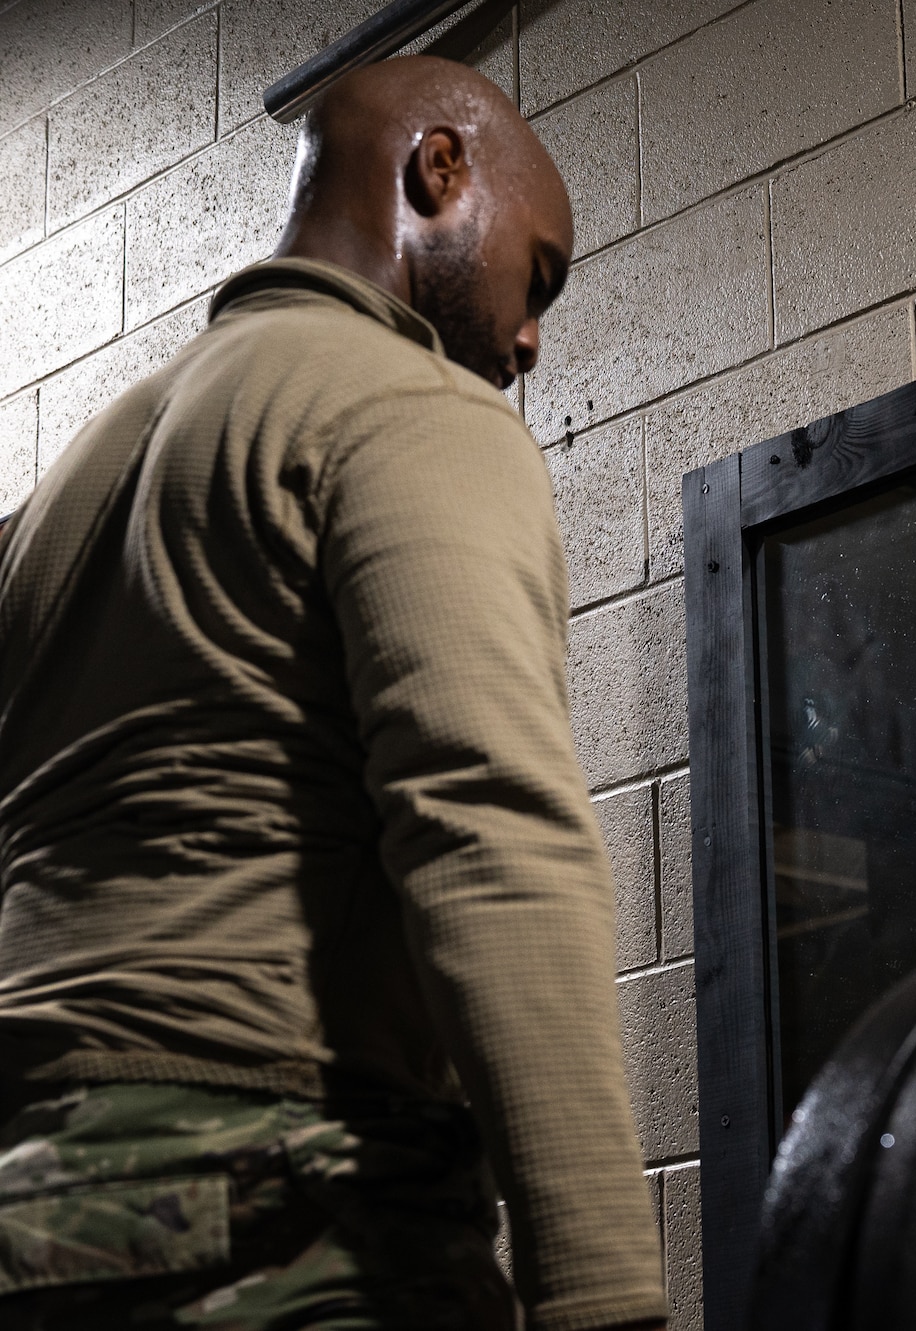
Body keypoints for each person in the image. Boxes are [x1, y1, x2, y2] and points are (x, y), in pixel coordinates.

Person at [0, 57, 665, 1330]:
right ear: (440, 168)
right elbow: (487, 825)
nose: (529, 340)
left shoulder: (67, 489)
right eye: (540, 275)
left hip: (37, 1223)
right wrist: (605, 1295)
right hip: (287, 1217)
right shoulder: (407, 410)